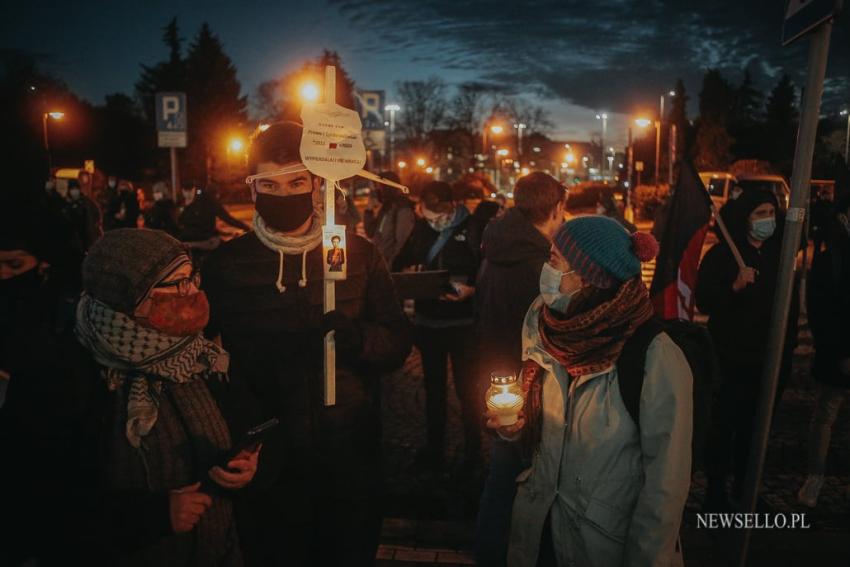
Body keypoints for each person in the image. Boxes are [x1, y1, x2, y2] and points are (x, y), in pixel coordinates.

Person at [201, 121, 412, 566]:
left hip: (351, 457)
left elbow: (397, 341)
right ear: (252, 189)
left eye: (296, 181)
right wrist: (236, 433)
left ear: (317, 184)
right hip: (270, 465)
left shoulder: (358, 254)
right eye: (269, 184)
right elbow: (200, 364)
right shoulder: (226, 267)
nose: (285, 194)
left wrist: (360, 341)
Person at [494, 217, 691, 566]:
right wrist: (515, 428)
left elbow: (666, 484)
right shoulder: (543, 324)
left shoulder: (654, 356)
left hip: (603, 544)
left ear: (588, 276)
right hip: (539, 532)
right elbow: (549, 428)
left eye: (554, 260)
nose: (546, 268)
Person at [70, 228, 261, 566]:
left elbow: (245, 420)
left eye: (191, 278)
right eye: (174, 282)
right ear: (126, 295)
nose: (189, 291)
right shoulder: (72, 374)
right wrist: (154, 517)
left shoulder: (202, 355)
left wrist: (250, 465)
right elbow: (45, 498)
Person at [474, 172, 567, 566]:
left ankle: (489, 549)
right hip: (530, 388)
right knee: (520, 479)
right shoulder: (539, 266)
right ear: (557, 209)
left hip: (500, 377)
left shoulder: (495, 250)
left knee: (502, 471)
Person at [695, 188, 799, 510]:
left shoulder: (779, 256)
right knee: (724, 425)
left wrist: (787, 348)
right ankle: (715, 492)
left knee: (754, 428)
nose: (767, 220)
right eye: (760, 214)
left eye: (771, 213)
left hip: (766, 360)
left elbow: (790, 308)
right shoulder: (722, 256)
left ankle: (745, 487)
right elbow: (705, 301)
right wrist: (734, 288)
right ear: (745, 218)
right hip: (730, 357)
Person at [394, 181, 484, 472]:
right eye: (426, 211)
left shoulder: (473, 228)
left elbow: (485, 270)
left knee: (467, 388)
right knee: (433, 390)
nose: (429, 216)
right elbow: (402, 261)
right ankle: (434, 448)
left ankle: (473, 450)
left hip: (463, 324)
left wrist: (472, 289)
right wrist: (411, 273)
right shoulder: (420, 228)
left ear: (449, 205)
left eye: (434, 211)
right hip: (428, 323)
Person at [798, 192, 850, 507]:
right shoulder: (831, 256)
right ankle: (814, 478)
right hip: (837, 352)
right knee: (826, 413)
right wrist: (841, 353)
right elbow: (821, 310)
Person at [365, 171, 415, 268]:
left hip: (391, 267)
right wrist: (369, 211)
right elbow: (371, 232)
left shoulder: (403, 207)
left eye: (379, 186)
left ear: (388, 187)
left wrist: (392, 265)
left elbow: (401, 243)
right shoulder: (387, 207)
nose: (377, 190)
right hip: (381, 264)